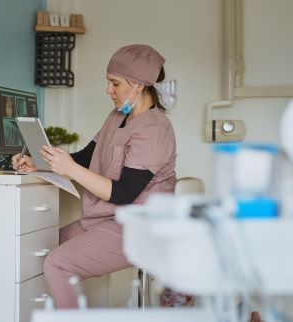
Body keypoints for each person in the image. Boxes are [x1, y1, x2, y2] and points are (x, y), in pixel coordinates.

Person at [12, 44, 177, 308]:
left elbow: (124, 193)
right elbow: (88, 156)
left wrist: (70, 169)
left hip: (139, 227)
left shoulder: (155, 129)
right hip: (106, 218)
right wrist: (40, 164)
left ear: (138, 84)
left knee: (59, 263)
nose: (108, 90)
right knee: (40, 245)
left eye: (115, 83)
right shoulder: (118, 116)